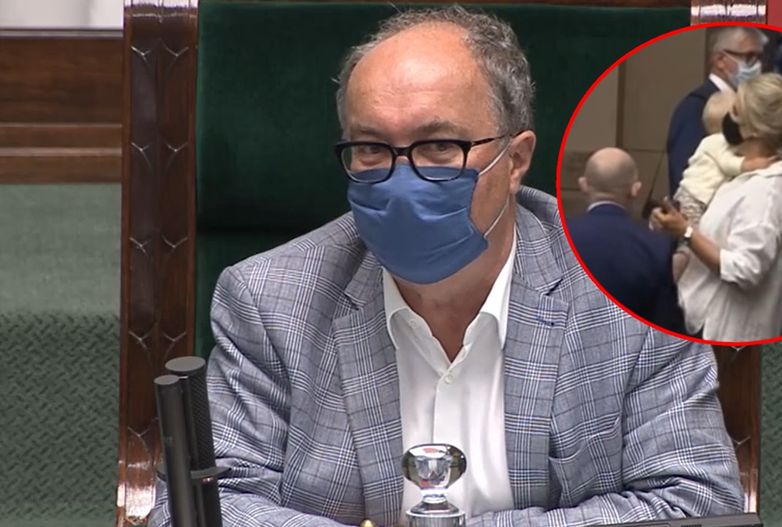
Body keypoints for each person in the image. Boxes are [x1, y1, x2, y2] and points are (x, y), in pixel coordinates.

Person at [149, 6, 743, 527]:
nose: (402, 179)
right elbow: (203, 505)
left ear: (516, 161)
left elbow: (696, 502)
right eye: (372, 148)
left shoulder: (622, 295)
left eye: (439, 147)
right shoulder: (271, 299)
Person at [653, 73, 782, 343]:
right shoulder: (739, 169)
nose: (728, 116)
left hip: (725, 335)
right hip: (696, 320)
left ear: (753, 130)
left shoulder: (766, 193)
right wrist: (675, 222)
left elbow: (745, 270)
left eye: (735, 110)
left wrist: (686, 232)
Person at [565, 147, 683, 331]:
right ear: (636, 189)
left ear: (583, 185)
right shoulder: (657, 246)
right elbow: (664, 324)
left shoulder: (556, 237)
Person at [671, 91, 775, 281]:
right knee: (689, 237)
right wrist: (750, 164)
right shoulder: (718, 142)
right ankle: (678, 266)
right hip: (695, 197)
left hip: (692, 195)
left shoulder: (710, 141)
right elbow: (728, 163)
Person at [666, 26, 766, 196]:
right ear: (720, 59)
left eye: (759, 57)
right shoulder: (696, 106)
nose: (757, 66)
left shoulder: (748, 104)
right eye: (749, 57)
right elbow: (685, 173)